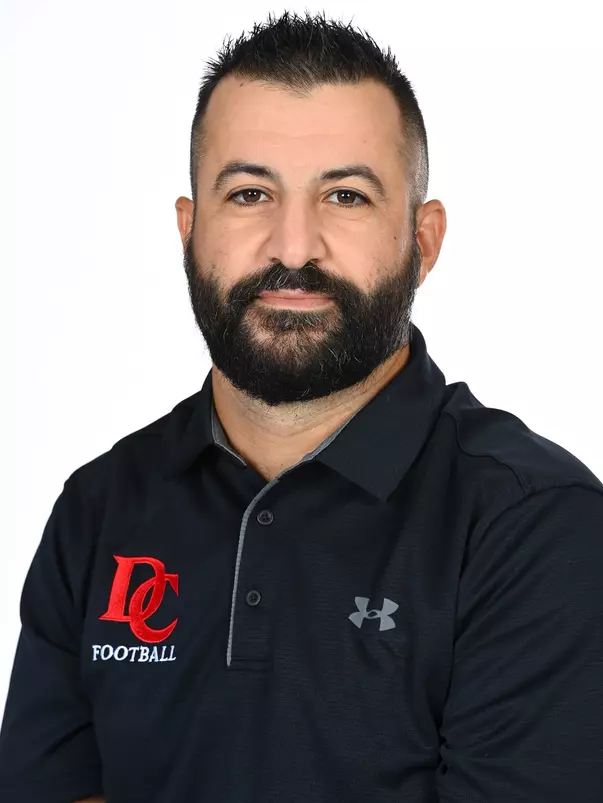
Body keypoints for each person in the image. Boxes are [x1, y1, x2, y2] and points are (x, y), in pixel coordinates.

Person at [1, 9, 602, 803]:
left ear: (422, 240)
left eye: (345, 197)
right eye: (250, 193)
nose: (293, 248)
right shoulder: (97, 509)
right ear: (189, 231)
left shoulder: (535, 527)